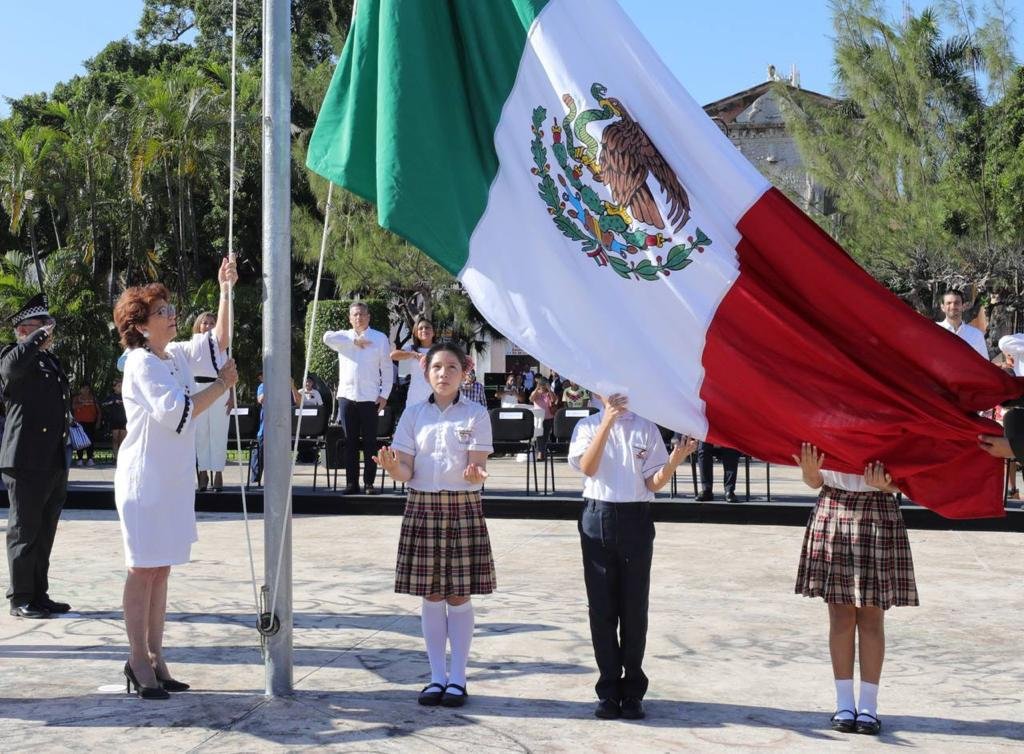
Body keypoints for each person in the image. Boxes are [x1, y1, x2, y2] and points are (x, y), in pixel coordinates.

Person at [112, 260, 239, 699]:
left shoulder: (174, 354)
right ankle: (136, 658)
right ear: (142, 326)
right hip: (145, 481)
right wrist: (221, 387)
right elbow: (178, 414)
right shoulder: (141, 363)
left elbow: (219, 341)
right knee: (142, 568)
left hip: (172, 480)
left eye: (169, 308)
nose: (171, 315)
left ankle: (156, 655)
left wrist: (226, 290)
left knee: (161, 570)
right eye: (161, 311)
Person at [373, 343, 494, 708]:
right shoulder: (412, 415)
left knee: (458, 594)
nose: (444, 374)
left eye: (452, 367)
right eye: (438, 367)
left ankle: (458, 677)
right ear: (427, 373)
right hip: (422, 506)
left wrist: (474, 474)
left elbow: (476, 469)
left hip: (462, 506)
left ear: (464, 373)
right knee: (431, 595)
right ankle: (435, 677)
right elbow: (406, 469)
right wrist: (394, 469)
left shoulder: (476, 414)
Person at [568, 393, 697, 720]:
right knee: (602, 608)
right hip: (598, 516)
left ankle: (633, 690)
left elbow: (652, 482)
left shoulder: (646, 428)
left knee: (634, 608)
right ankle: (608, 690)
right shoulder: (587, 425)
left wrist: (675, 459)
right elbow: (588, 467)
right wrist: (608, 420)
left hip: (636, 518)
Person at [791, 443, 918, 736]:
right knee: (840, 615)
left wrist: (889, 484)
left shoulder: (889, 417)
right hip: (833, 507)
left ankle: (869, 707)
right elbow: (815, 480)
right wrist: (810, 474)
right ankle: (844, 704)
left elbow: (915, 483)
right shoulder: (823, 417)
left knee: (872, 617)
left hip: (878, 509)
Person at [1, 293, 73, 619]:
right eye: (39, 326)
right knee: (24, 531)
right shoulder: (12, 356)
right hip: (26, 459)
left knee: (45, 531)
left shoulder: (50, 361)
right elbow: (13, 368)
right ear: (23, 330)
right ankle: (20, 597)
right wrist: (36, 338)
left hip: (53, 458)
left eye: (48, 326)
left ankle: (39, 593)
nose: (47, 331)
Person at [323, 302, 393, 495]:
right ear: (349, 318)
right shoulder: (343, 337)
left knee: (370, 442)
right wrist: (354, 342)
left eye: (362, 314)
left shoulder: (379, 338)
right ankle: (351, 483)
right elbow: (326, 337)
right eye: (355, 315)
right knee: (350, 441)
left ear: (368, 317)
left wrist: (384, 394)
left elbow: (387, 368)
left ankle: (369, 483)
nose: (358, 318)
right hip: (347, 397)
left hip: (370, 397)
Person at [189, 310, 232, 492]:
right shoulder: (192, 345)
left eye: (212, 323)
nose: (208, 326)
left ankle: (218, 472)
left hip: (219, 390)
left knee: (218, 432)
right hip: (198, 390)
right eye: (204, 323)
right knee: (201, 434)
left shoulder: (222, 347)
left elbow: (230, 372)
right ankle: (203, 471)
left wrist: (232, 397)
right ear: (199, 325)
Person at [249, 375, 301, 487]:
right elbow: (261, 399)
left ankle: (279, 482)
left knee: (280, 457)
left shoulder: (286, 388)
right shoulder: (263, 386)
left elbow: (299, 402)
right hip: (265, 429)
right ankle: (255, 482)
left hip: (282, 428)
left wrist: (292, 387)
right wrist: (271, 386)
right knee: (259, 454)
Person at [391, 318, 435, 409]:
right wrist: (413, 354)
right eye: (420, 328)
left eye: (427, 327)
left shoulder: (441, 349)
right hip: (415, 398)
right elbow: (393, 355)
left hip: (436, 397)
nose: (424, 330)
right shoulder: (411, 349)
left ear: (433, 332)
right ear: (415, 333)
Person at [936, 289, 988, 360]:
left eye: (957, 303)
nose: (953, 306)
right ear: (942, 307)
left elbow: (984, 364)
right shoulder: (934, 331)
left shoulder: (976, 335)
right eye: (949, 303)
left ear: (963, 306)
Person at [71, 383, 101, 466]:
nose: (85, 390)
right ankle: (80, 459)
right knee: (80, 441)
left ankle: (90, 459)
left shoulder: (93, 398)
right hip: (79, 422)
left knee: (90, 441)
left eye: (87, 389)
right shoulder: (76, 398)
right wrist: (82, 404)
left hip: (91, 422)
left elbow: (99, 412)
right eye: (83, 388)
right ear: (80, 389)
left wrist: (98, 422)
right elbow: (73, 407)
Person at [530, 378, 558, 461]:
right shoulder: (536, 393)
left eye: (544, 384)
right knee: (539, 436)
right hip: (538, 417)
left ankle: (542, 452)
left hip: (548, 417)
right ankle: (540, 453)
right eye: (541, 384)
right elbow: (531, 399)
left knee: (545, 436)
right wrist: (537, 388)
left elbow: (554, 400)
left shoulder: (549, 393)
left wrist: (549, 390)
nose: (543, 386)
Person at [102, 379, 128, 462]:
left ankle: (122, 458)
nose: (121, 388)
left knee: (123, 440)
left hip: (124, 420)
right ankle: (116, 458)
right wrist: (113, 402)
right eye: (119, 386)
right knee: (115, 439)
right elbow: (103, 404)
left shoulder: (126, 395)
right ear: (114, 387)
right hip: (114, 420)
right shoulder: (111, 396)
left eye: (122, 386)